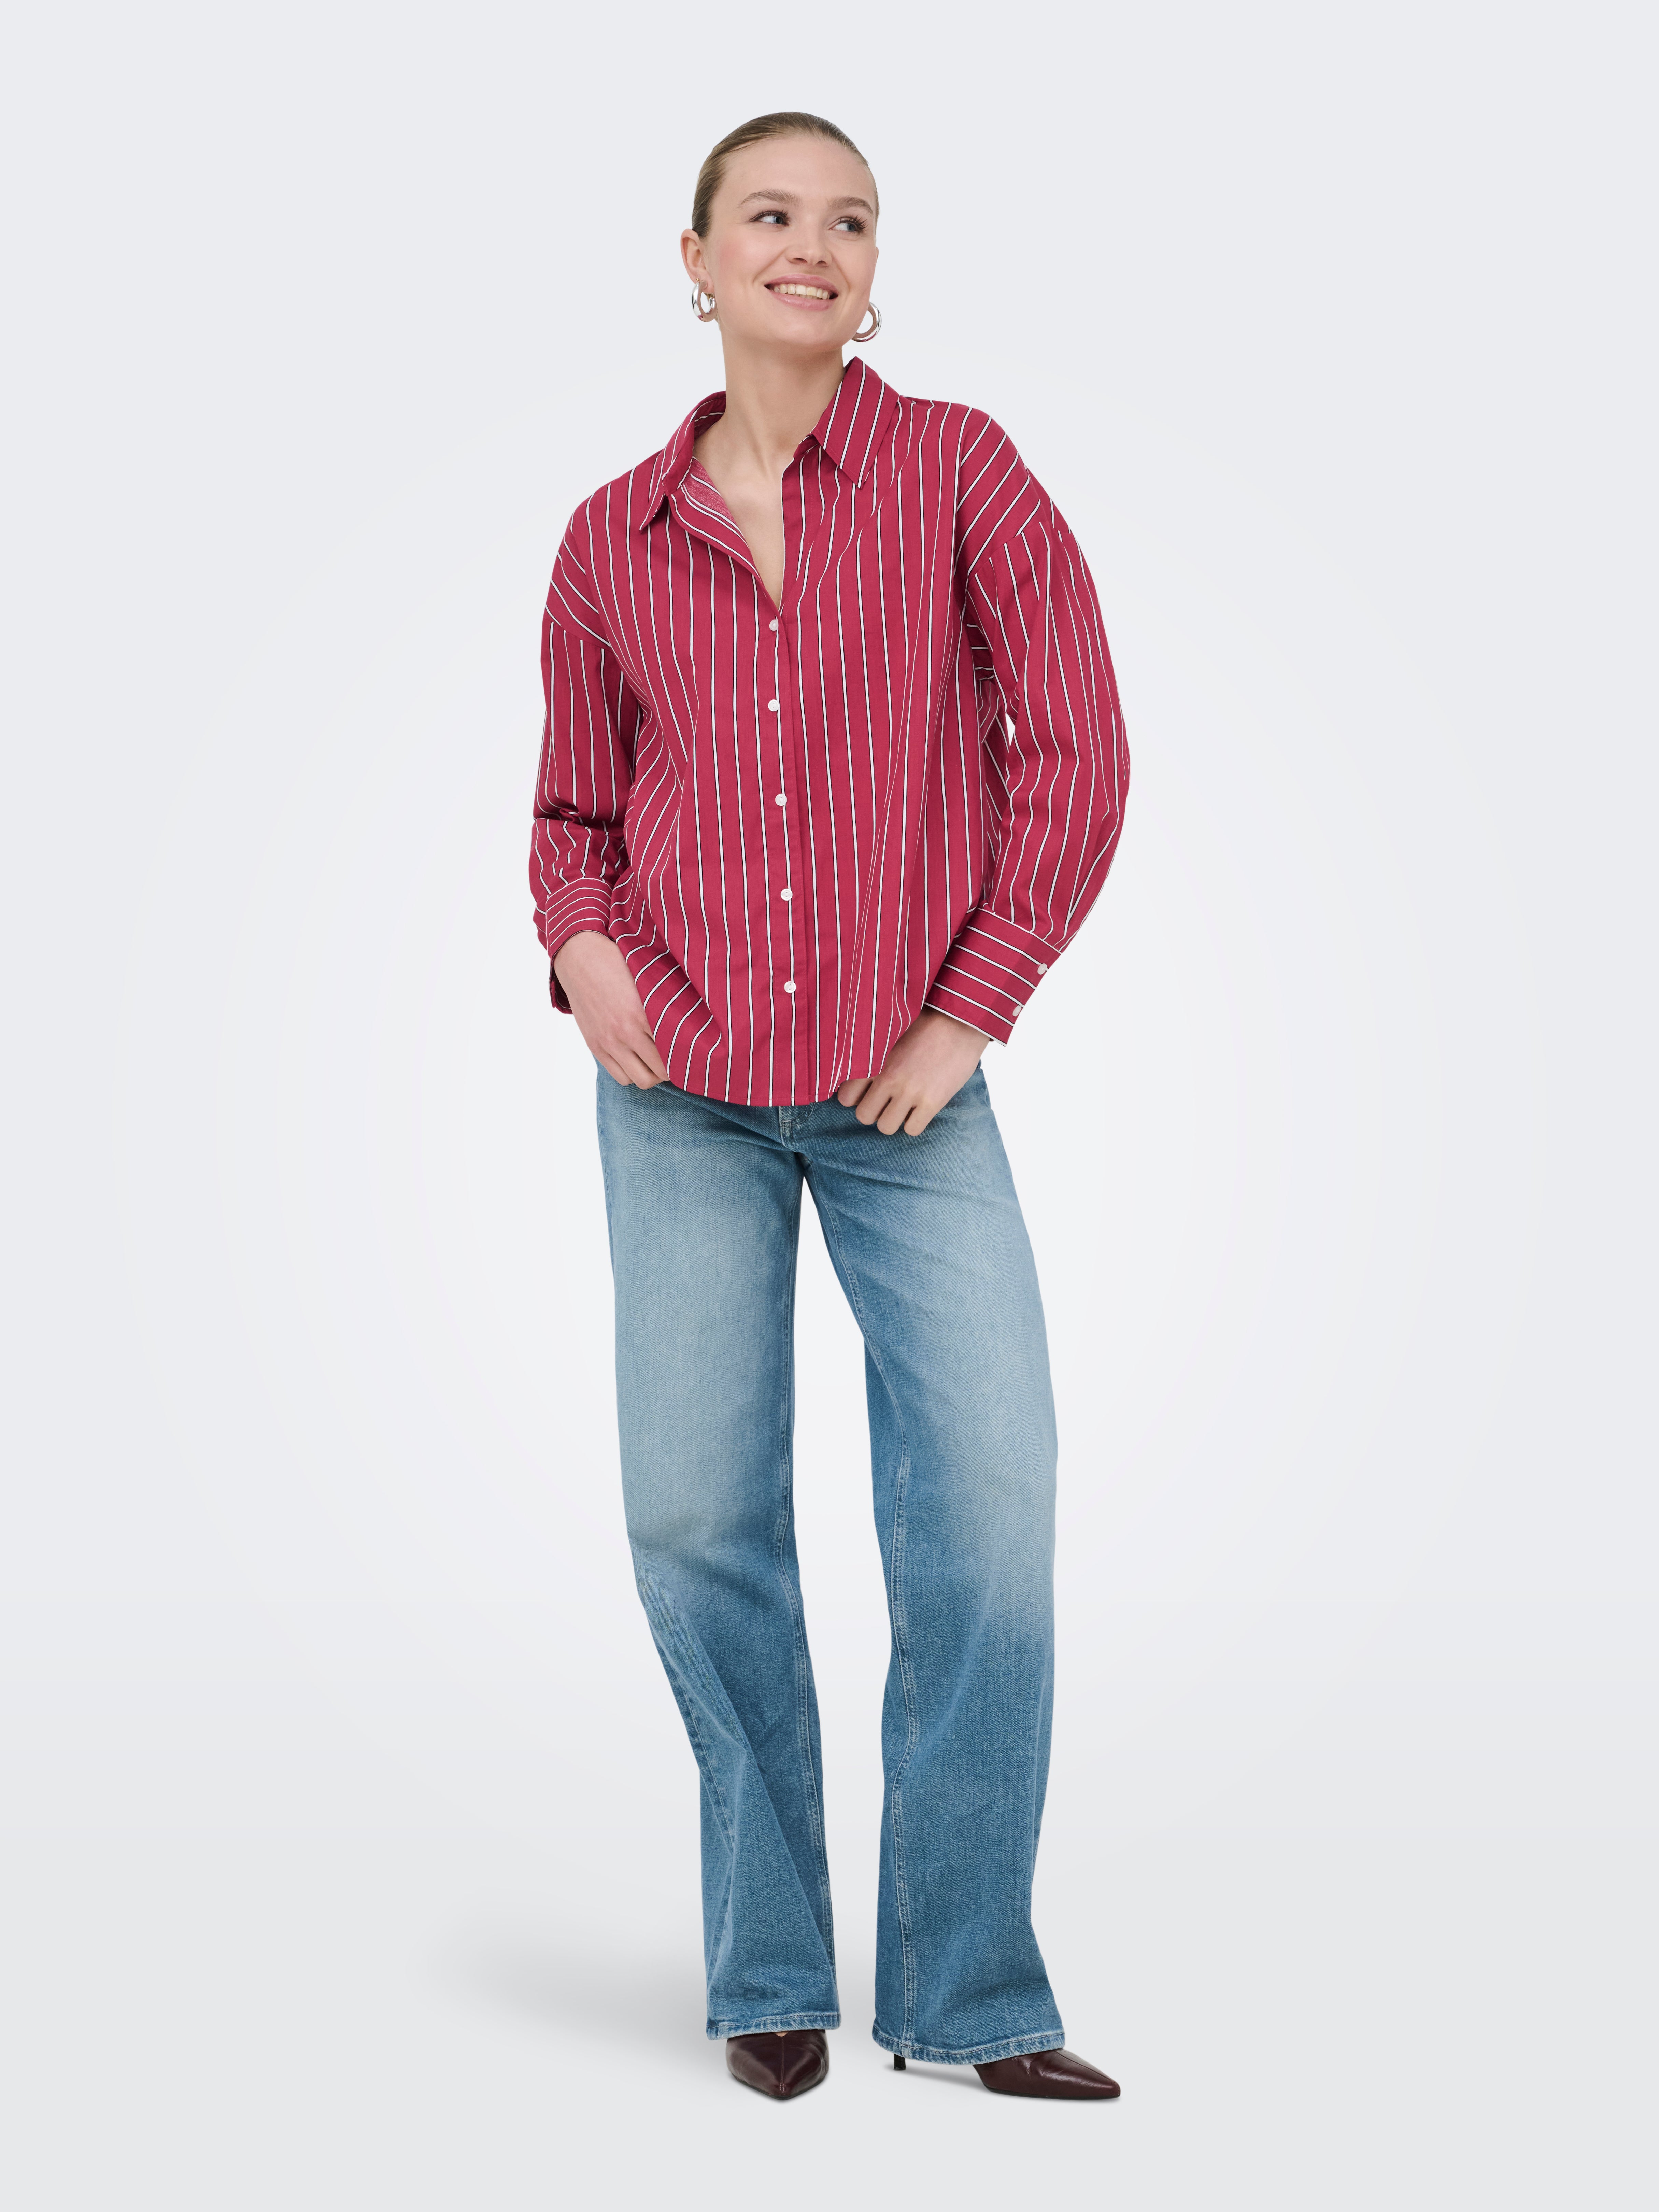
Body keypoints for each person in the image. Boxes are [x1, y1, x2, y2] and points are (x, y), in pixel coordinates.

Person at [530, 112, 1130, 2102]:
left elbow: (1078, 752)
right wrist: (580, 949)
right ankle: (770, 1967)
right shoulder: (610, 539)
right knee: (699, 1517)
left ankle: (967, 1994)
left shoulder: (964, 472)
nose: (814, 245)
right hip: (680, 1089)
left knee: (991, 1515)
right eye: (772, 215)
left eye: (849, 220)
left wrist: (972, 1010)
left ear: (875, 272)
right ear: (696, 259)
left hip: (906, 1094)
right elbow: (574, 809)